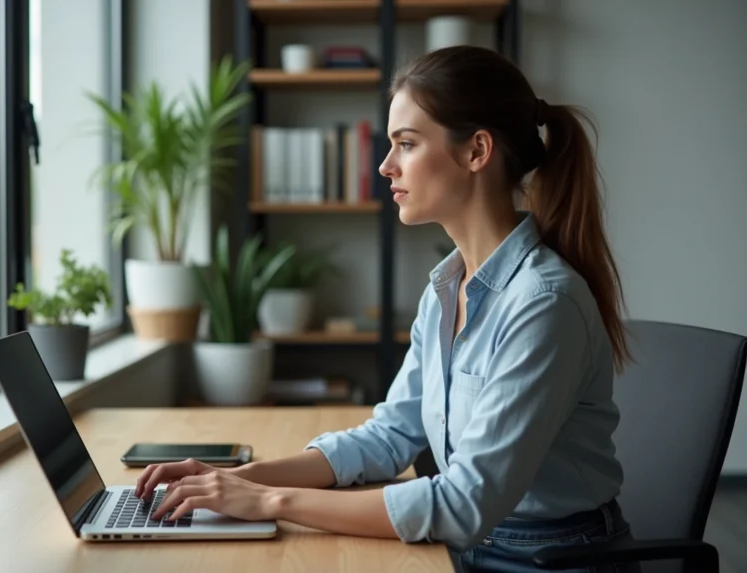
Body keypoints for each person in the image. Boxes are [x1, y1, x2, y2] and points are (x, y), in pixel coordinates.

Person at [134, 45, 639, 573]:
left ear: (476, 152)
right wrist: (241, 479)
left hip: (547, 561)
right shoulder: (447, 288)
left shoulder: (543, 305)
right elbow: (390, 436)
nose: (385, 165)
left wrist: (268, 502)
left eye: (407, 144)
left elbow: (463, 506)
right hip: (472, 549)